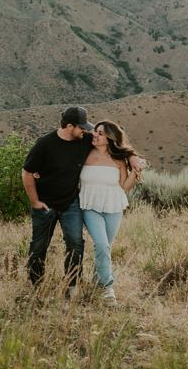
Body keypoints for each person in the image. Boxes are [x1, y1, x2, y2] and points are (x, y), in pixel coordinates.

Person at [22, 106, 144, 296]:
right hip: (46, 203)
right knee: (39, 246)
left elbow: (114, 142)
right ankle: (36, 286)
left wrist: (133, 157)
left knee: (76, 243)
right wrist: (36, 201)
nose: (87, 132)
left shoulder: (86, 139)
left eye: (89, 129)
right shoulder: (45, 144)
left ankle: (73, 286)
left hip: (71, 203)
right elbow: (27, 172)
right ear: (70, 126)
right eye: (82, 127)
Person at [80, 120, 142, 302]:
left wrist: (135, 172)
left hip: (114, 206)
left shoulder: (118, 159)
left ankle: (96, 280)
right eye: (95, 132)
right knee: (102, 244)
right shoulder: (84, 153)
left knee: (106, 247)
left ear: (109, 139)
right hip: (90, 206)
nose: (95, 135)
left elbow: (124, 186)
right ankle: (108, 288)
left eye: (100, 133)